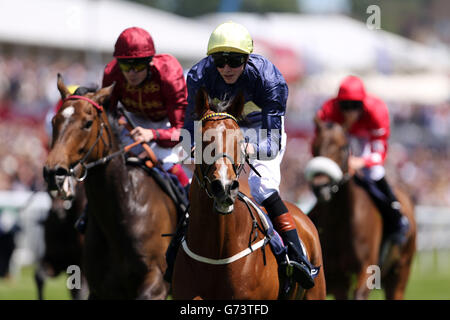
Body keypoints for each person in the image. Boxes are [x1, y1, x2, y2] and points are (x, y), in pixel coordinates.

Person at [181, 21, 315, 289]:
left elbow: (273, 142)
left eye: (235, 60)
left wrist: (248, 149)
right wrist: (191, 145)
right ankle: (175, 253)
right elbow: (188, 126)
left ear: (248, 57)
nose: (227, 68)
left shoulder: (269, 79)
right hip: (217, 132)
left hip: (259, 133)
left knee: (263, 186)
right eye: (220, 60)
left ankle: (295, 254)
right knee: (196, 186)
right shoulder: (198, 76)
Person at [316, 75, 410, 245]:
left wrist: (359, 162)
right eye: (345, 106)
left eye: (355, 106)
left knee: (374, 172)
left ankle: (395, 213)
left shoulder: (377, 111)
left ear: (363, 103)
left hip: (366, 138)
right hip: (341, 137)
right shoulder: (327, 111)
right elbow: (319, 144)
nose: (350, 111)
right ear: (338, 104)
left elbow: (379, 154)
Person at [101, 26, 189, 190]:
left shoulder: (169, 73)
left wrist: (153, 134)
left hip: (167, 122)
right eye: (126, 66)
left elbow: (181, 131)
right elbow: (107, 116)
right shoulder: (112, 73)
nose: (132, 73)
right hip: (133, 120)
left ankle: (188, 204)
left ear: (150, 61)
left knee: (165, 158)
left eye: (139, 66)